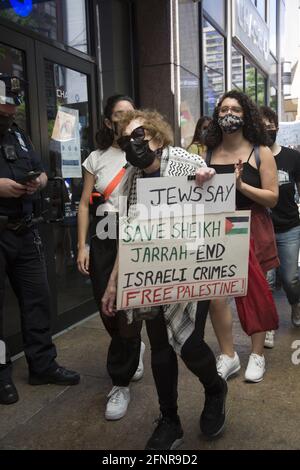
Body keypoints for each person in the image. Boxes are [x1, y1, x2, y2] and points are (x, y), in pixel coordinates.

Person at [102, 109, 227, 450]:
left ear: (157, 136)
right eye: (127, 139)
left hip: (190, 269)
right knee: (159, 348)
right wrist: (115, 281)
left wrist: (207, 177)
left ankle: (215, 388)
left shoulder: (185, 160)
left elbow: (213, 186)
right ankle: (169, 419)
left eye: (139, 135)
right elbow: (128, 234)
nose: (134, 144)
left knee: (189, 345)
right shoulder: (130, 177)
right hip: (151, 272)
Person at [0, 74, 80, 405]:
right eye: (5, 104)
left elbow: (42, 170)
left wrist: (40, 181)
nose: (9, 110)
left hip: (25, 229)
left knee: (38, 300)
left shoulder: (18, 134)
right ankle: (1, 375)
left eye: (12, 105)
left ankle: (42, 365)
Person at [77, 95, 145, 421]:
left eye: (130, 113)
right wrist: (81, 246)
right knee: (106, 308)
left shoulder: (147, 152)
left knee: (125, 308)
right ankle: (131, 345)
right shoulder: (97, 157)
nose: (125, 119)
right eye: (119, 115)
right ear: (108, 122)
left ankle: (120, 381)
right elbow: (84, 205)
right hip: (105, 232)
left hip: (137, 232)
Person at [205, 90, 279, 383]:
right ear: (216, 115)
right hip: (218, 231)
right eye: (223, 109)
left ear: (246, 114)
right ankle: (228, 355)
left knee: (254, 292)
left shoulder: (260, 152)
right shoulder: (209, 152)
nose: (228, 114)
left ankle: (257, 354)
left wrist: (241, 186)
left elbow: (272, 197)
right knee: (215, 297)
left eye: (235, 109)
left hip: (251, 228)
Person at [260, 106, 300, 348]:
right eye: (262, 126)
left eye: (270, 126)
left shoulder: (292, 157)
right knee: (266, 281)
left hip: (289, 227)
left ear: (276, 127)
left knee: (290, 277)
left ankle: (296, 304)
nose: (267, 130)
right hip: (262, 229)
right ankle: (268, 326)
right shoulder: (253, 157)